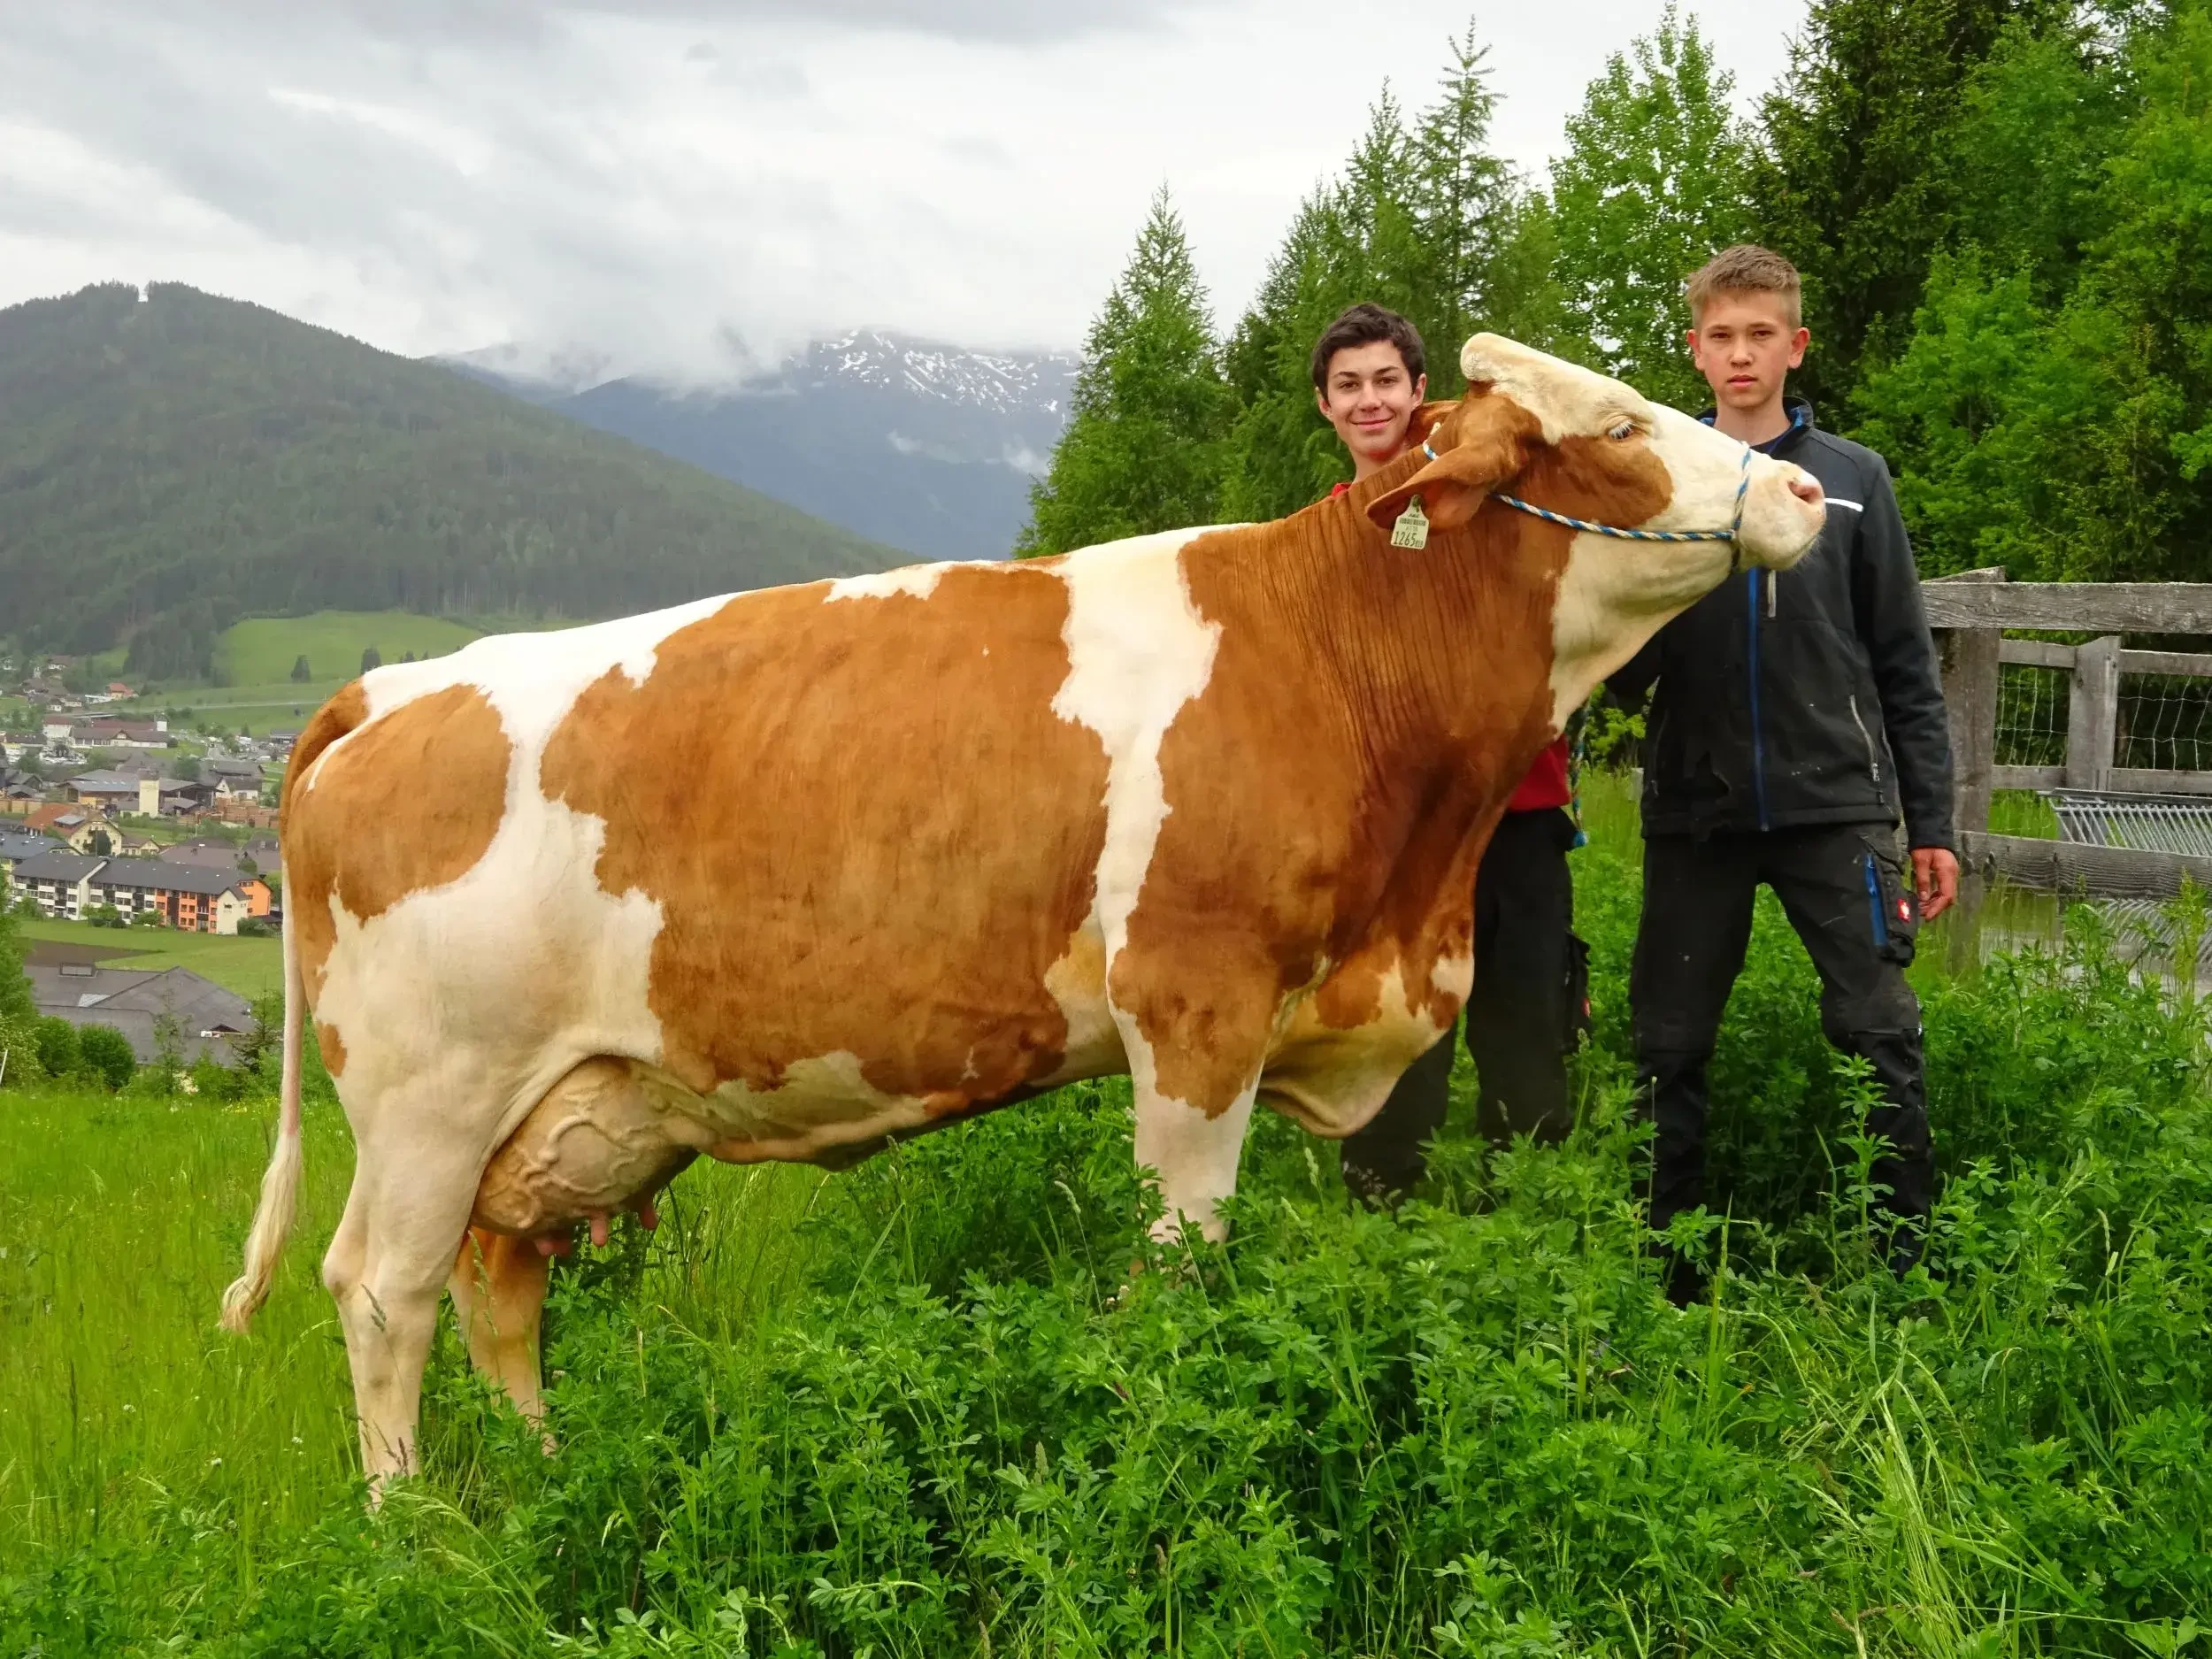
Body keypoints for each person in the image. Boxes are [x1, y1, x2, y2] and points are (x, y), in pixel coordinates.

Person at [1610, 245, 1958, 1293]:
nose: (1740, 353)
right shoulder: (1666, 483)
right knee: (1667, 1047)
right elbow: (1623, 671)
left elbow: (1902, 660)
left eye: (1760, 333)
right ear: (1694, 351)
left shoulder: (1852, 482)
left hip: (1834, 807)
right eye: (1720, 335)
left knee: (1877, 1030)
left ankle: (1905, 1274)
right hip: (1694, 811)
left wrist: (1930, 824)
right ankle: (1665, 1277)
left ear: (1794, 345)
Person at [1305, 303, 1587, 1207]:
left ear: (1419, 392)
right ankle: (1383, 1214)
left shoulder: (1496, 510)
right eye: (1348, 385)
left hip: (1520, 816)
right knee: (1392, 1031)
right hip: (1396, 835)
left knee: (1528, 1034)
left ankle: (1523, 1222)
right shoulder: (1315, 541)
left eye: (1386, 379)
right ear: (1324, 405)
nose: (1369, 400)